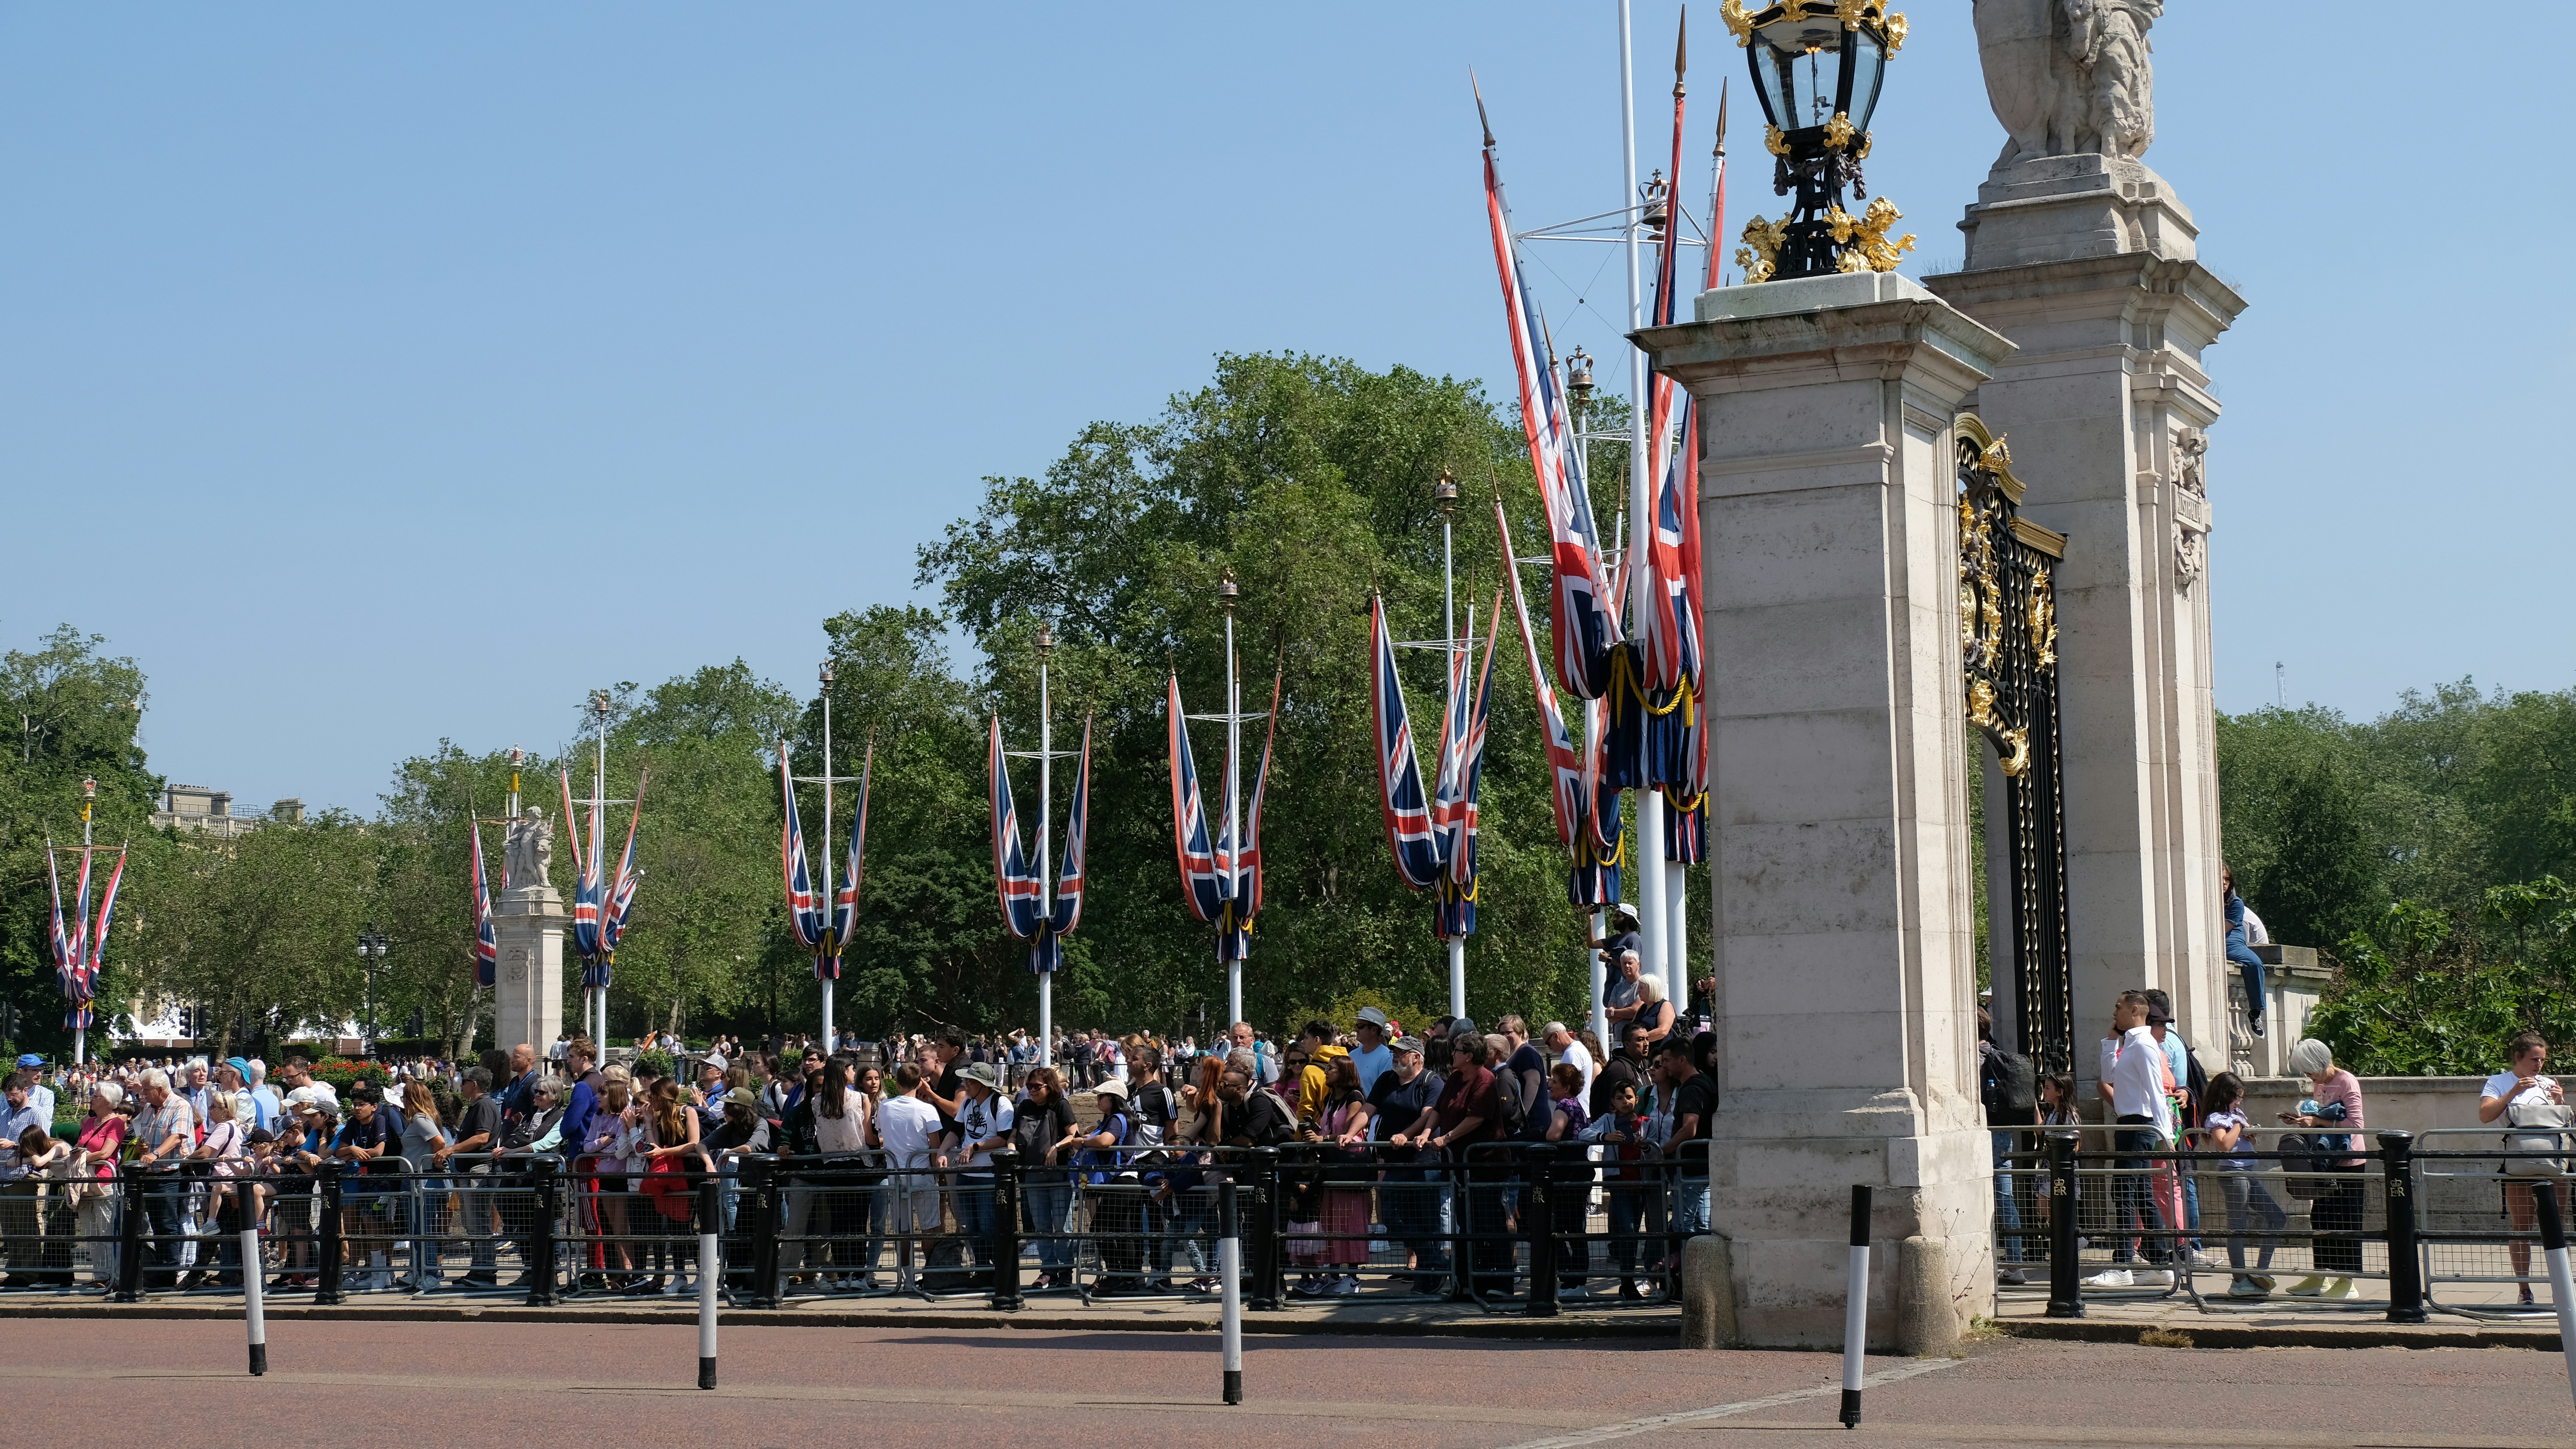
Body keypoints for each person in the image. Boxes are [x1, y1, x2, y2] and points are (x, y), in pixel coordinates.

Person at [2086, 992, 2174, 1288]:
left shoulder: (2145, 1044)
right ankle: (2160, 1264)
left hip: (2139, 1125)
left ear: (2134, 1010)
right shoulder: (2133, 1044)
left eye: (2118, 1007)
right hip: (2131, 1124)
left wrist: (2166, 1134)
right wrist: (2111, 1042)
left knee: (2123, 1192)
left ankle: (2123, 1265)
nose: (2114, 1013)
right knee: (2140, 1194)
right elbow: (2109, 1076)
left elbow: (2156, 1090)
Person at [2482, 1030, 2567, 1306]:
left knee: (2557, 1226)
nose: (2539, 1065)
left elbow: (2564, 1125)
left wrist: (2560, 1102)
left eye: (2542, 1060)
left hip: (2553, 1163)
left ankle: (2562, 1289)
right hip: (2519, 1164)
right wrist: (2513, 1092)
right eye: (2534, 1059)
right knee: (2522, 1227)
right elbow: (2485, 1115)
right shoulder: (2498, 1082)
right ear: (2518, 1057)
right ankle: (2524, 1289)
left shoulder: (2548, 1083)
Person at [2280, 1037, 2364, 1300]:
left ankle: (2348, 1280)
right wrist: (2304, 1120)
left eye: (2309, 1071)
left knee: (2346, 1220)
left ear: (2320, 1063)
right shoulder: (2320, 1083)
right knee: (2321, 1218)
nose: (2308, 1077)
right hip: (2326, 1160)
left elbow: (2357, 1125)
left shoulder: (2347, 1081)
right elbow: (2321, 1116)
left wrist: (2317, 1122)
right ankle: (2321, 1273)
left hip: (2348, 1161)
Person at [1427, 1031, 1505, 1293]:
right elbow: (1439, 1109)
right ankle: (1469, 1282)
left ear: (1469, 1056)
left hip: (1484, 1166)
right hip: (1459, 1167)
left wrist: (1446, 1138)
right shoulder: (1455, 1078)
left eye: (1457, 1050)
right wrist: (1427, 1132)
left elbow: (1477, 1118)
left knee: (1489, 1221)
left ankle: (1499, 1281)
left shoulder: (1485, 1080)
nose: (1453, 1053)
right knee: (1465, 1222)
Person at [2197, 1071, 2283, 1298]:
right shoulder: (2216, 1118)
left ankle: (2260, 1271)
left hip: (2248, 1172)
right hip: (2233, 1174)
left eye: (2241, 1097)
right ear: (2225, 1095)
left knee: (2278, 1217)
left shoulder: (2236, 1115)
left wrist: (2250, 1135)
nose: (2240, 1102)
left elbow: (2240, 1136)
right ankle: (2239, 1280)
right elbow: (2224, 1145)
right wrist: (2238, 1126)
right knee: (2238, 1226)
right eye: (2237, 1097)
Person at [1299, 1056, 1373, 1297]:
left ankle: (1352, 1278)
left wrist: (1322, 1138)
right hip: (1331, 1164)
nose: (1326, 1072)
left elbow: (1348, 1132)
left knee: (1350, 1221)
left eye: (1331, 1069)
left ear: (1344, 1073)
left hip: (1350, 1167)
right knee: (1331, 1221)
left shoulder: (1355, 1097)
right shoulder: (1330, 1098)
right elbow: (1329, 1128)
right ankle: (1333, 1275)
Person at [870, 1063, 945, 1294]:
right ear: (920, 1082)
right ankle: (930, 1274)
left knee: (902, 1230)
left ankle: (908, 1277)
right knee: (930, 1227)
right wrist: (937, 1174)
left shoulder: (885, 1107)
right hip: (921, 1173)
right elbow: (935, 1146)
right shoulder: (927, 1109)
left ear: (897, 1082)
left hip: (896, 1175)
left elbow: (881, 1134)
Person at [1580, 1077, 1656, 1300]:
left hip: (1641, 1184)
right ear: (1613, 1101)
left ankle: (1628, 1281)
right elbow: (1583, 1134)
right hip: (1619, 1184)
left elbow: (1656, 1150)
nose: (1625, 1102)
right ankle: (1627, 1282)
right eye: (1620, 1098)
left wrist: (1645, 1145)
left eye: (1629, 1097)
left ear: (1637, 1100)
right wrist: (1605, 1137)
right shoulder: (1607, 1120)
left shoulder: (1647, 1123)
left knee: (1634, 1232)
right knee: (1628, 1230)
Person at [941, 1062, 1014, 1288]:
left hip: (988, 1175)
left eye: (970, 1081)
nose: (966, 1085)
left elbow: (1004, 1137)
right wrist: (942, 1151)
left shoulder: (1001, 1103)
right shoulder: (968, 1103)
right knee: (971, 1226)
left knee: (987, 1225)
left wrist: (975, 1147)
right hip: (966, 1174)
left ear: (983, 1084)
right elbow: (956, 1131)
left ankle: (996, 1269)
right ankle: (982, 1269)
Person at [1011, 1067, 1081, 1291]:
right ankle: (1048, 1270)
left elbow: (1074, 1135)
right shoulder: (1024, 1107)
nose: (1032, 1090)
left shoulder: (1060, 1105)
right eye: (1029, 1086)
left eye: (1037, 1086)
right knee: (1041, 1226)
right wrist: (1011, 1150)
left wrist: (1056, 1147)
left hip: (1058, 1174)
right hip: (1032, 1174)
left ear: (1049, 1087)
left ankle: (1066, 1271)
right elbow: (1013, 1134)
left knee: (1062, 1226)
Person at [432, 1065, 502, 1288]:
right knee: (472, 1224)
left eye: (463, 1082)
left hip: (479, 1171)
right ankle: (479, 1270)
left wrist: (451, 1150)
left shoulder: (484, 1105)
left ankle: (486, 1272)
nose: (461, 1086)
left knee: (478, 1224)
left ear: (474, 1085)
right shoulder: (478, 1105)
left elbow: (482, 1138)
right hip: (471, 1171)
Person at [638, 1076, 708, 1296]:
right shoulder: (660, 1118)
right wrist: (649, 1122)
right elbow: (654, 1145)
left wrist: (664, 1152)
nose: (651, 1101)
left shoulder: (688, 1112)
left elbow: (694, 1143)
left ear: (662, 1096)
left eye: (653, 1097)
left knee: (693, 1229)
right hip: (672, 1177)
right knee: (677, 1229)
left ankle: (703, 1275)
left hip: (692, 1175)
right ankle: (680, 1275)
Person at [128, 1069, 195, 1291]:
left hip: (171, 1172)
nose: (143, 1095)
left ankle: (170, 1272)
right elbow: (145, 1135)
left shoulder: (180, 1105)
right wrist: (143, 1148)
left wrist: (155, 1154)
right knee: (157, 1223)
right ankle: (161, 1270)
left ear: (160, 1089)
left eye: (147, 1090)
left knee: (168, 1223)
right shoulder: (149, 1108)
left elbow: (177, 1137)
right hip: (152, 1173)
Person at [71, 1081, 128, 1292]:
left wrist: (80, 1159)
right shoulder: (89, 1123)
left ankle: (118, 1276)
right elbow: (80, 1147)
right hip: (85, 1183)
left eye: (97, 1096)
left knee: (108, 1231)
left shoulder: (116, 1124)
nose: (92, 1098)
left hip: (104, 1182)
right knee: (91, 1233)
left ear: (109, 1102)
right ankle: (101, 1275)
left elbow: (106, 1153)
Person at [1542, 1061, 1592, 1293]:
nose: (1550, 1085)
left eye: (1555, 1081)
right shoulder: (1577, 1106)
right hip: (1577, 1173)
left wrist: (1539, 1135)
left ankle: (1573, 1280)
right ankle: (1574, 1279)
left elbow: (1554, 1135)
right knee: (1573, 1229)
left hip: (1568, 1176)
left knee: (1564, 1229)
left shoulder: (1565, 1105)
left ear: (1567, 1087)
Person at [0, 1072, 50, 1288]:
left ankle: (30, 1274)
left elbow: (43, 1146)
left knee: (26, 1228)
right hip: (3, 1178)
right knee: (10, 1229)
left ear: (25, 1090)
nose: (10, 1099)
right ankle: (15, 1272)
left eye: (13, 1094)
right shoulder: (4, 1113)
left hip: (23, 1177)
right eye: (6, 1094)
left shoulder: (37, 1113)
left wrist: (13, 1146)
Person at [2222, 863, 2266, 1037]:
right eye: (2221, 879)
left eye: (2227, 879)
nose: (2224, 883)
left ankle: (2255, 1012)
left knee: (2254, 963)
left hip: (2231, 942)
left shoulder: (2235, 903)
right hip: (2209, 941)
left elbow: (2219, 931)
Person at [1348, 1008, 1394, 1095]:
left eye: (1360, 1026)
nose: (1356, 1029)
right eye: (1356, 1026)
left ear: (1374, 1030)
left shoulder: (1387, 1058)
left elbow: (1384, 1093)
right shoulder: (1352, 1055)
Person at [1545, 1022, 1593, 1098]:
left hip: (1570, 1105)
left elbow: (1569, 1086)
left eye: (1548, 1043)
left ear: (1555, 1036)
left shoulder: (1572, 1053)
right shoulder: (1575, 1049)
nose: (1550, 1048)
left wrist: (1549, 1082)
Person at [1632, 975, 1677, 1052]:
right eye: (1638, 988)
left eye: (1641, 988)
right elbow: (1632, 1028)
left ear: (1652, 989)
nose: (1638, 991)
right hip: (1642, 1054)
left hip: (1660, 1053)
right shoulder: (1642, 1008)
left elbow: (1663, 1031)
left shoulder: (1665, 1005)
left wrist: (1639, 1039)